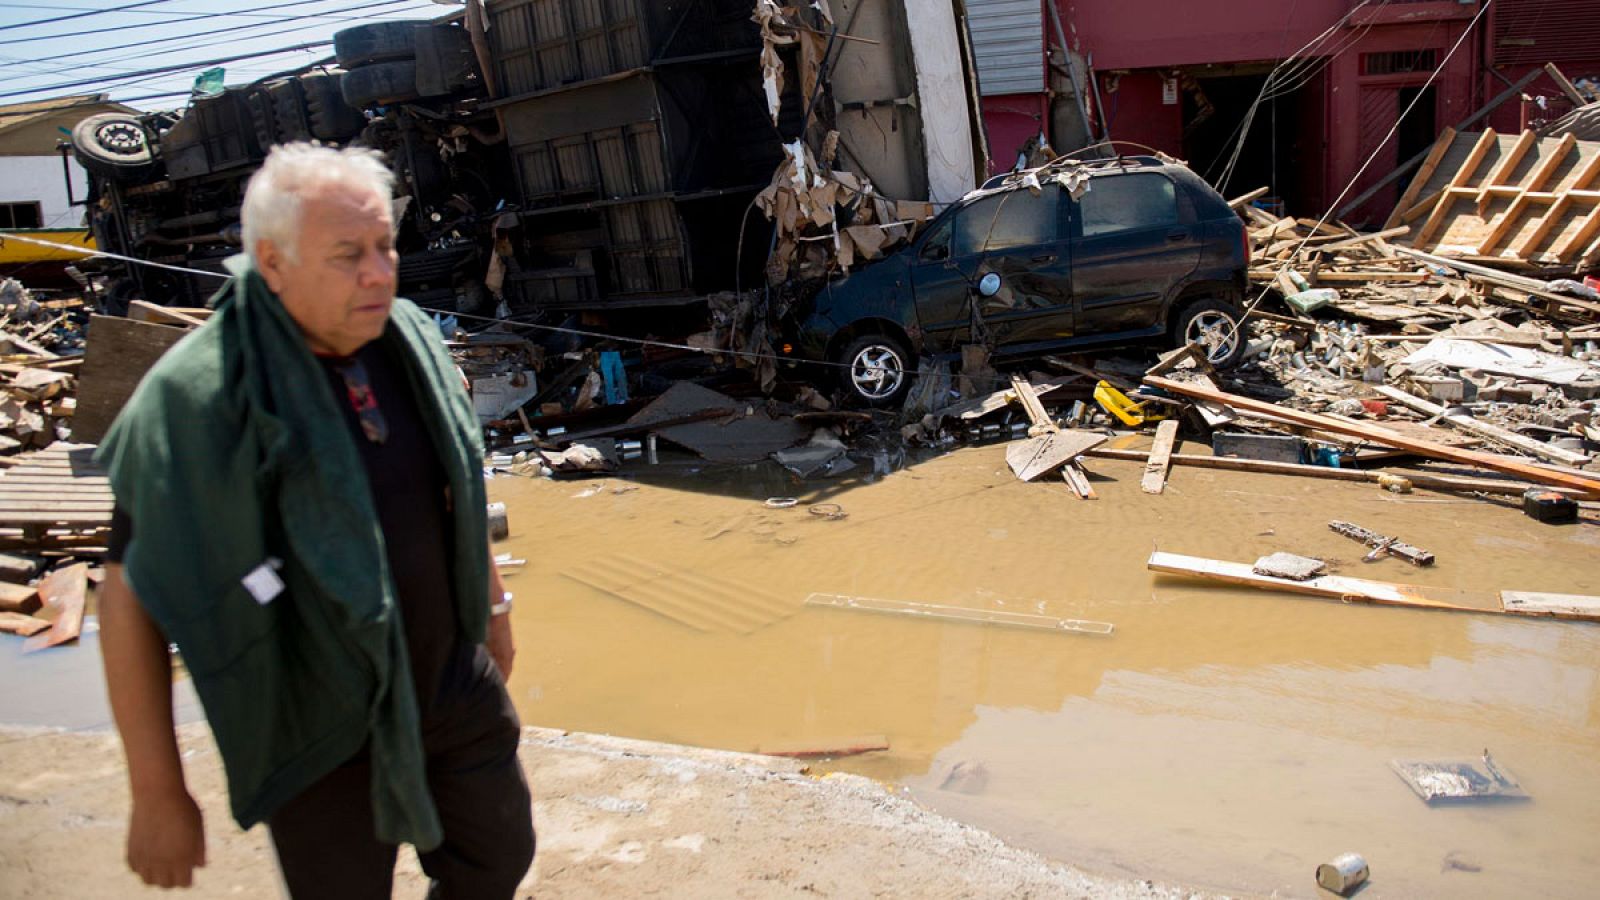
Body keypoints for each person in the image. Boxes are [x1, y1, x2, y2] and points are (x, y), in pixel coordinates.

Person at [96, 142, 535, 898]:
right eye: (346, 255)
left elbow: (449, 487)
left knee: (498, 854)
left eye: (383, 247)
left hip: (446, 680)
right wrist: (158, 791)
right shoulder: (200, 398)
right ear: (272, 264)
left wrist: (491, 608)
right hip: (316, 715)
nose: (377, 272)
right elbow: (129, 593)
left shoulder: (409, 345)